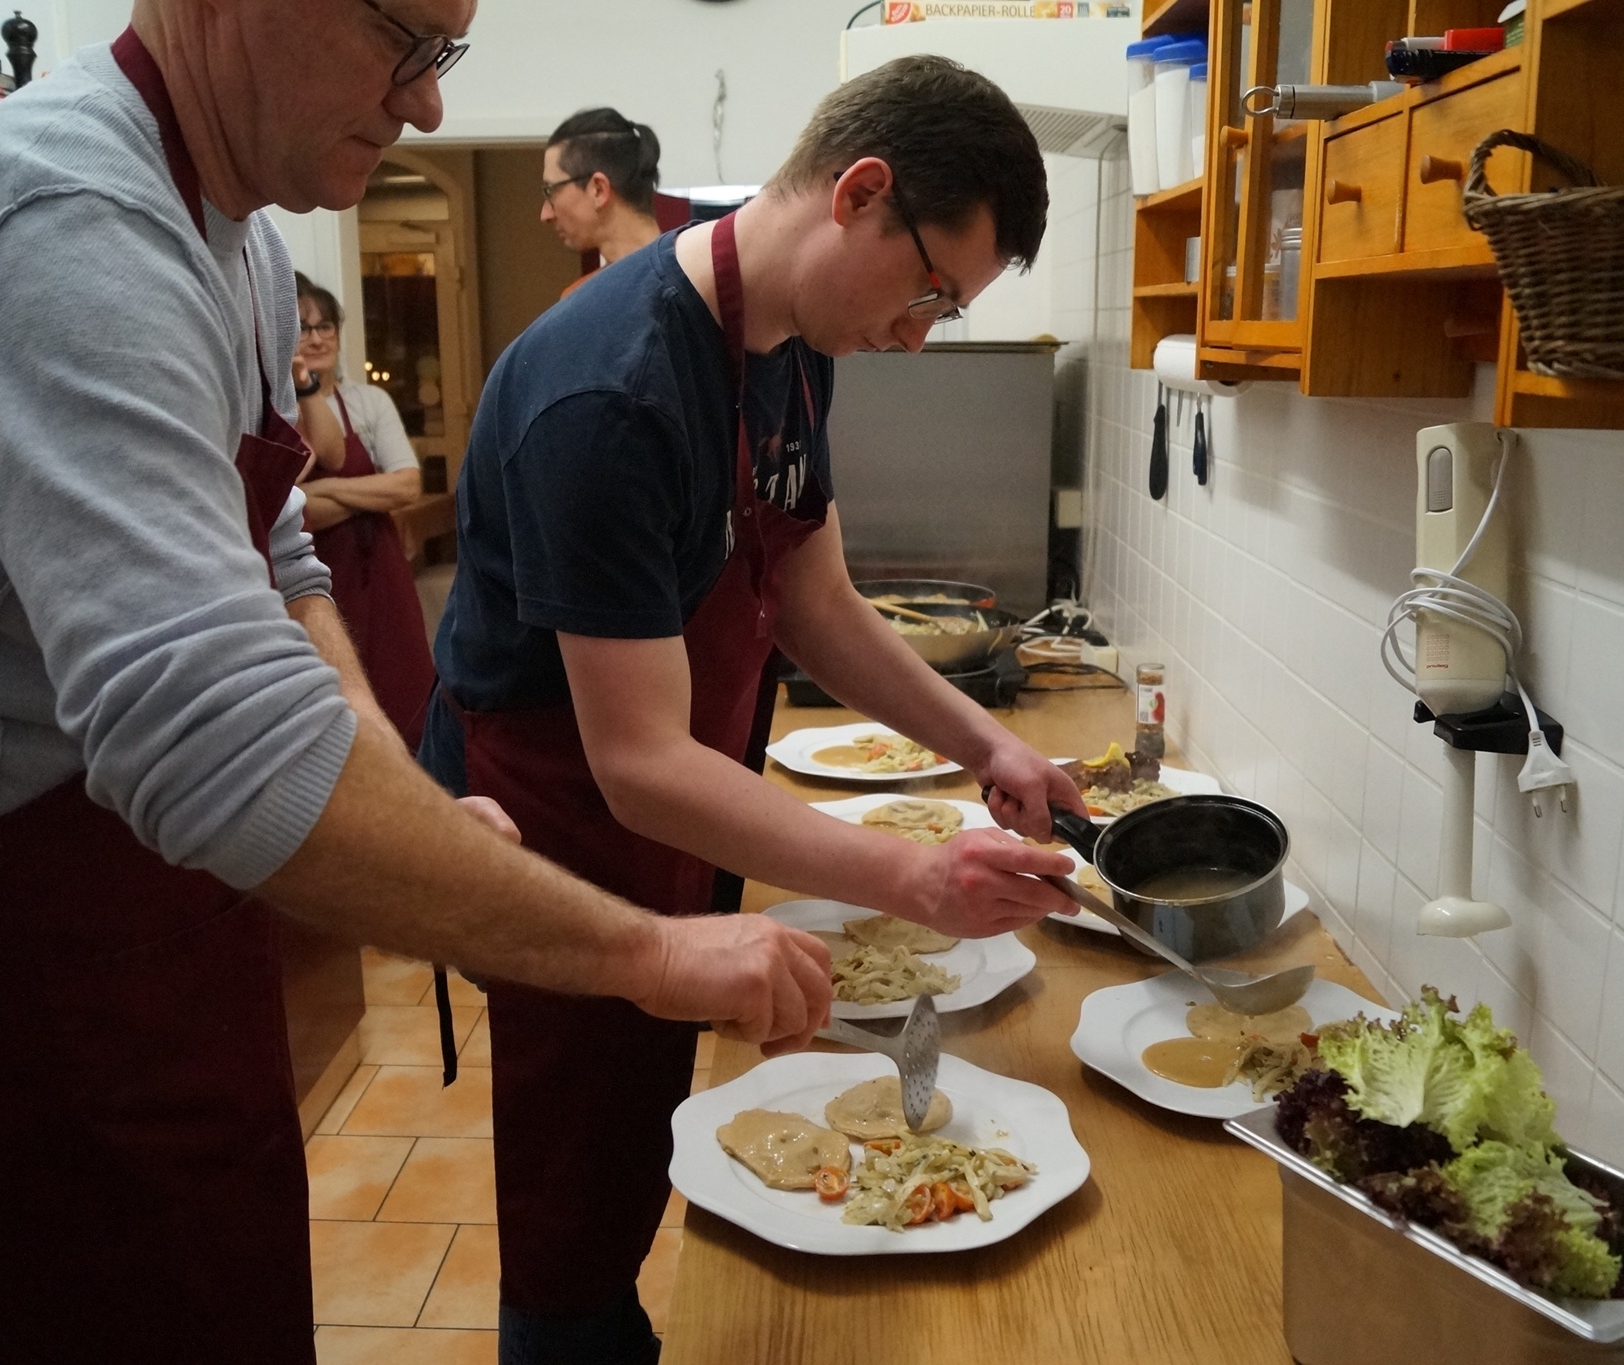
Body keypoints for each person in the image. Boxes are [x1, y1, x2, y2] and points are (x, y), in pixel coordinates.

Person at [0, 0, 834, 1361]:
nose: (427, 103)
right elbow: (209, 745)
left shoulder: (245, 244)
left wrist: (396, 789)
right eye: (403, 37)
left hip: (158, 915)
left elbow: (278, 560)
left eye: (444, 54)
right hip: (0, 954)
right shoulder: (58, 223)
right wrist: (654, 951)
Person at [423, 53, 1087, 1364]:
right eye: (930, 293)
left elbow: (816, 603)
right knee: (575, 1196)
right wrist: (916, 878)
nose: (918, 334)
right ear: (860, 193)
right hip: (565, 828)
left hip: (685, 798)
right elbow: (634, 763)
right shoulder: (608, 393)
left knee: (657, 1126)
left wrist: (989, 743)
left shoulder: (791, 347)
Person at [291, 271, 437, 748]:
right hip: (313, 579)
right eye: (304, 328)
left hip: (378, 571)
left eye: (325, 326)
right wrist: (366, 496)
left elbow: (406, 485)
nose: (317, 338)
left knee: (404, 692)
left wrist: (329, 488)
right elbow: (298, 513)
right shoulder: (283, 410)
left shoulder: (370, 402)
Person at [541, 106, 664, 297]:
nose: (545, 215)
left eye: (552, 190)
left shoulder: (695, 282)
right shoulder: (579, 298)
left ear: (598, 190)